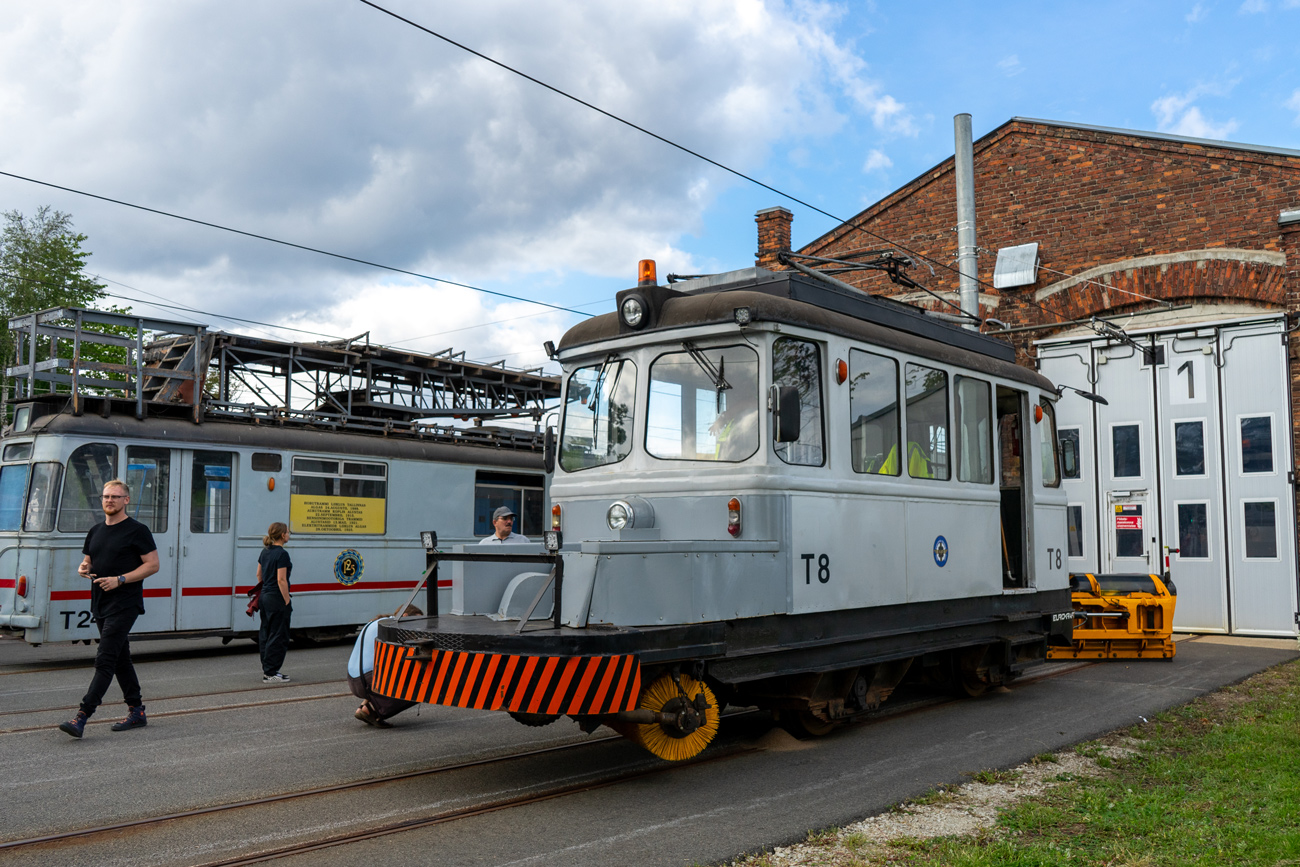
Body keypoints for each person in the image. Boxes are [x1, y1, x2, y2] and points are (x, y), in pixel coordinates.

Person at [58, 480, 160, 738]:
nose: (109, 500)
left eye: (115, 496)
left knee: (105, 659)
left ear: (126, 500)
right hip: (100, 603)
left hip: (125, 603)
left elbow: (152, 565)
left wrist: (121, 579)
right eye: (106, 496)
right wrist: (84, 569)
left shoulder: (137, 530)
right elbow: (88, 561)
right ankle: (137, 711)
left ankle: (82, 717)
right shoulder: (95, 531)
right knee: (120, 658)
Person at [349, 605, 422, 727]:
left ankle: (363, 707)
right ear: (405, 616)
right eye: (417, 622)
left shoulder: (377, 623)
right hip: (367, 681)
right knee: (419, 687)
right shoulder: (392, 628)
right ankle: (376, 712)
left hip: (353, 680)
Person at [257, 522, 293, 683]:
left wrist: (266, 588)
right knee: (278, 634)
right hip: (277, 598)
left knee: (266, 632)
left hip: (264, 596)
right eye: (288, 532)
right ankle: (271, 673)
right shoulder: (282, 554)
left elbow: (259, 575)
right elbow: (281, 579)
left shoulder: (265, 552)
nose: (289, 534)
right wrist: (287, 599)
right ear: (282, 535)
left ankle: (268, 669)